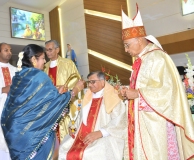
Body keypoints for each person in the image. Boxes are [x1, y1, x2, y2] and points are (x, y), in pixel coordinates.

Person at [120, 5, 194, 160]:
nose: (126, 50)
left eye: (127, 45)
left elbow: (167, 92)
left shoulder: (157, 57)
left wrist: (137, 94)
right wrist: (128, 92)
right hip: (142, 122)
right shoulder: (142, 60)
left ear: (139, 40)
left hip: (157, 124)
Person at [1, 44, 84, 160]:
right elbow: (54, 103)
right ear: (34, 59)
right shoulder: (39, 75)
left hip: (16, 129)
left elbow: (33, 101)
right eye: (42, 58)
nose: (45, 61)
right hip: (34, 131)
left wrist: (56, 93)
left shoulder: (19, 76)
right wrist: (75, 89)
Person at [59, 71, 126, 160]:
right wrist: (72, 127)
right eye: (88, 82)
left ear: (102, 82)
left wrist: (100, 133)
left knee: (91, 153)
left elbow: (120, 121)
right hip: (81, 136)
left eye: (93, 82)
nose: (90, 85)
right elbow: (78, 119)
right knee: (64, 149)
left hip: (103, 136)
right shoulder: (87, 98)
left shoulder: (113, 97)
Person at [44, 40, 80, 159]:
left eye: (50, 49)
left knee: (65, 136)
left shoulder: (68, 63)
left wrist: (65, 88)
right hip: (50, 108)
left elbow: (76, 80)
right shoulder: (45, 67)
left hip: (64, 106)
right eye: (46, 50)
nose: (47, 52)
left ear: (57, 49)